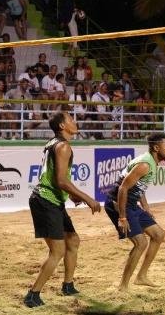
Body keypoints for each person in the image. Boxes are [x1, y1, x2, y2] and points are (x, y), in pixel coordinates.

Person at [24, 112, 102, 308]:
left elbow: (56, 178)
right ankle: (33, 295)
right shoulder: (63, 146)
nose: (74, 122)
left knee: (73, 240)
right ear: (62, 126)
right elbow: (61, 180)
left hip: (51, 200)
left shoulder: (53, 143)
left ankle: (68, 285)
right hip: (45, 201)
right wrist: (87, 198)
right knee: (57, 251)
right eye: (70, 120)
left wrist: (72, 195)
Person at [104, 133, 165, 291]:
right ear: (156, 148)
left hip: (132, 204)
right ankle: (123, 286)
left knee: (158, 235)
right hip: (118, 204)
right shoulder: (145, 164)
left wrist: (146, 207)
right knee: (141, 243)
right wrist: (122, 217)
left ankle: (141, 277)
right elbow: (123, 188)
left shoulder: (152, 162)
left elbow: (139, 187)